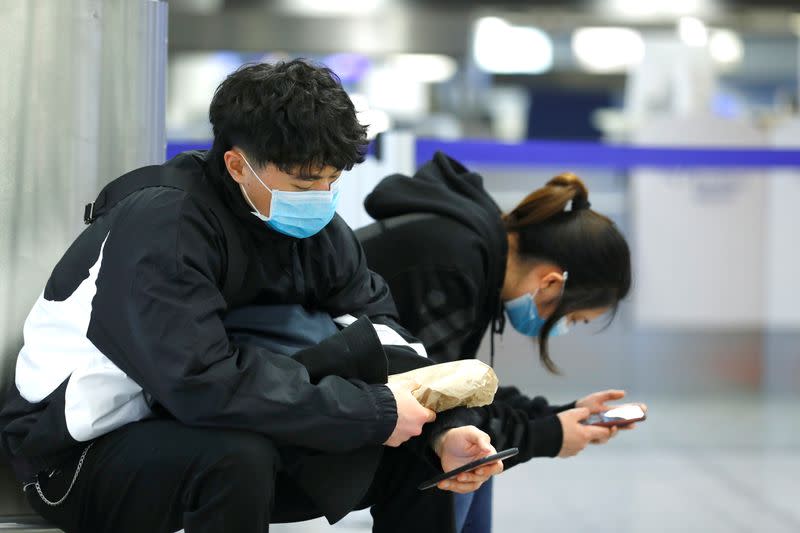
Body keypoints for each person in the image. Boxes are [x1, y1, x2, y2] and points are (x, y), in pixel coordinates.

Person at [0, 62, 502, 533]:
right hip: (81, 453)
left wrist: (446, 428)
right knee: (236, 457)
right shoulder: (166, 225)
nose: (322, 196)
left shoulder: (319, 231)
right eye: (306, 180)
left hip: (206, 421)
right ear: (238, 165)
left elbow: (385, 334)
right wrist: (368, 411)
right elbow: (199, 381)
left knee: (418, 454)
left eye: (333, 179)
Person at [357, 152, 637, 532]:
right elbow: (435, 408)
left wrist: (559, 414)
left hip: (358, 394)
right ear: (552, 282)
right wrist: (548, 435)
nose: (565, 327)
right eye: (573, 318)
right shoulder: (454, 262)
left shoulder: (474, 251)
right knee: (451, 459)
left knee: (471, 457)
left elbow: (453, 393)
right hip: (320, 401)